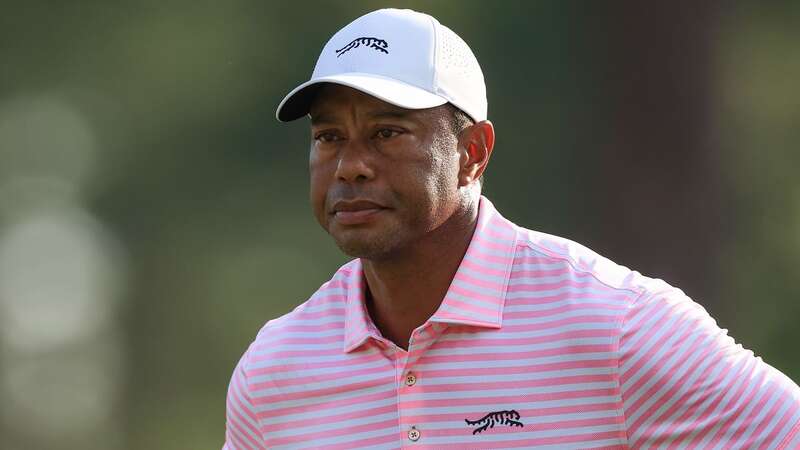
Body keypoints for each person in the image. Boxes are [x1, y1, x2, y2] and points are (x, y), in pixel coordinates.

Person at [223, 8, 800, 449]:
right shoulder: (276, 372)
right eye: (329, 137)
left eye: (387, 132)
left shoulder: (618, 327)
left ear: (473, 152)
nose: (350, 164)